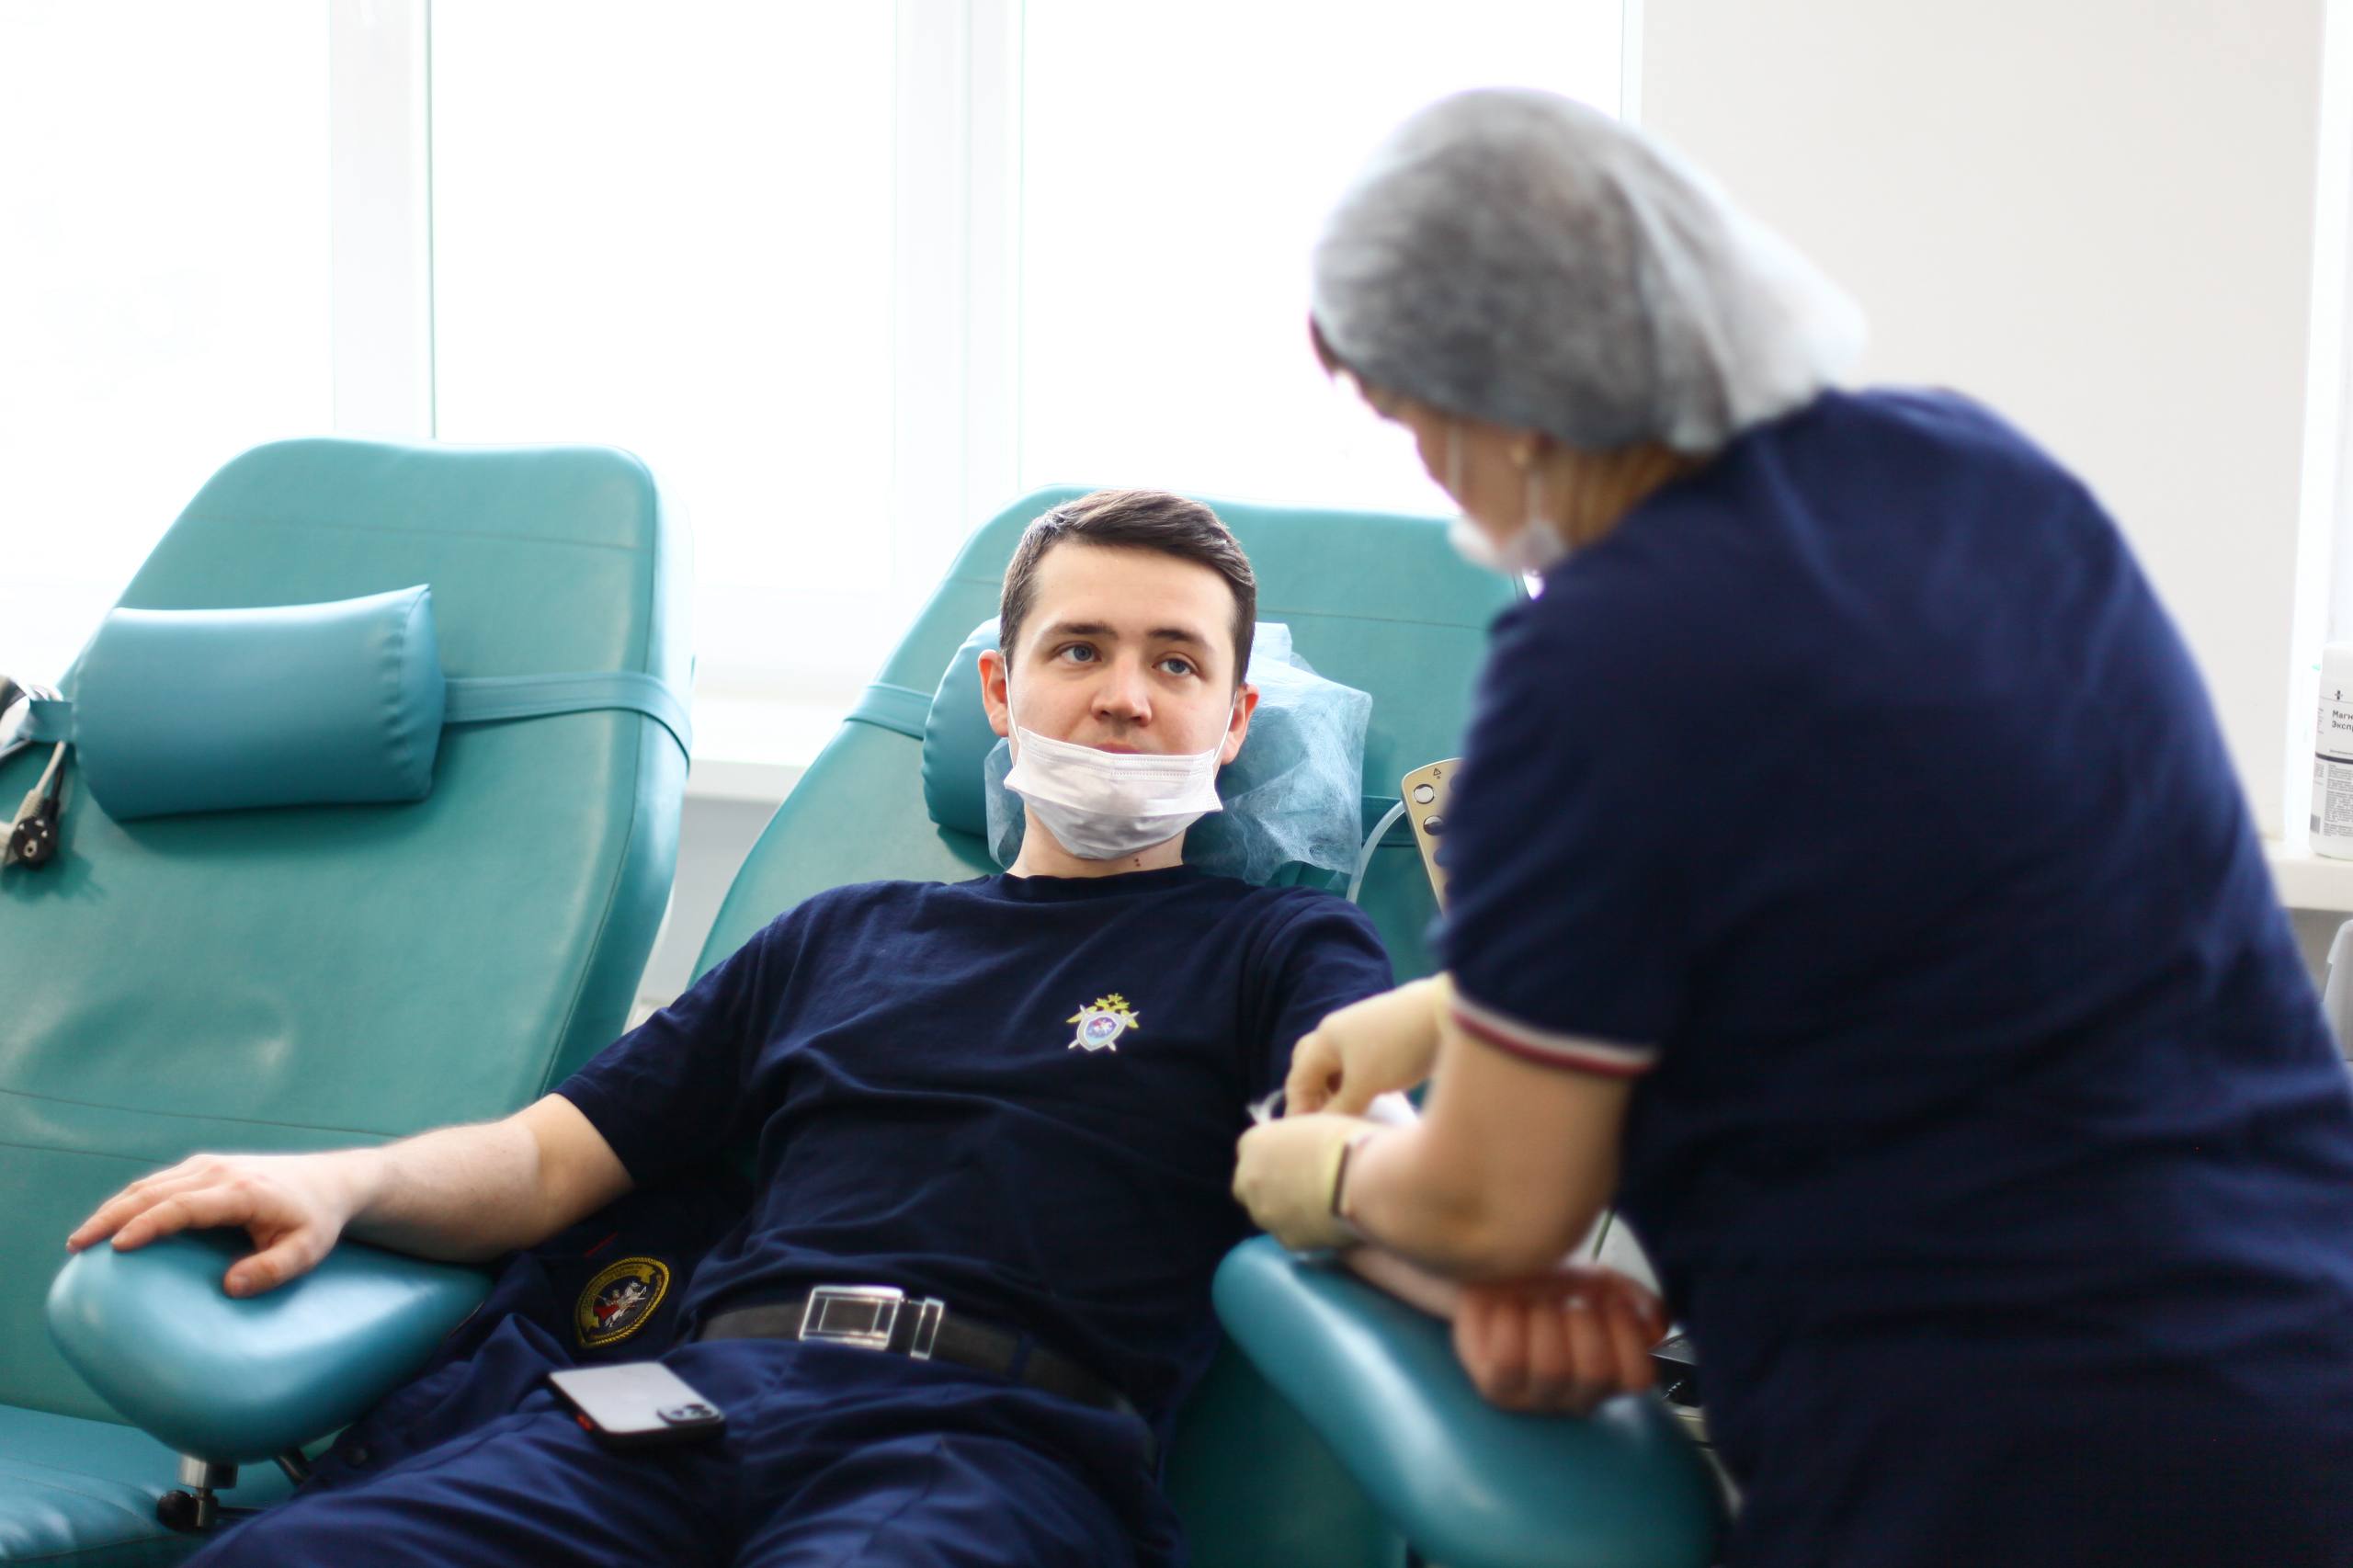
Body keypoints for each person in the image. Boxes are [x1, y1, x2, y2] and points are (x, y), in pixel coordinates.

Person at [67, 488, 1651, 1567]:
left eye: (1176, 663)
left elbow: (1360, 1163)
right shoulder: (839, 934)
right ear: (1000, 689)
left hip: (991, 1448)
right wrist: (339, 1182)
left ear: (1233, 722)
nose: (1123, 695)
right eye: (1080, 649)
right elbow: (548, 1162)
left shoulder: (1276, 947)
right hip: (683, 1410)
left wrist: (1489, 1271)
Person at [1233, 87, 2353, 1567]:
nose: (1430, 473)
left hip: (2007, 1479)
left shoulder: (1594, 665)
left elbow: (1499, 1203)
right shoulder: (1984, 478)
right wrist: (1455, 1011)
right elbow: (1917, 904)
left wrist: (1313, 1179)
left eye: (1414, 422)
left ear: (1507, 392)